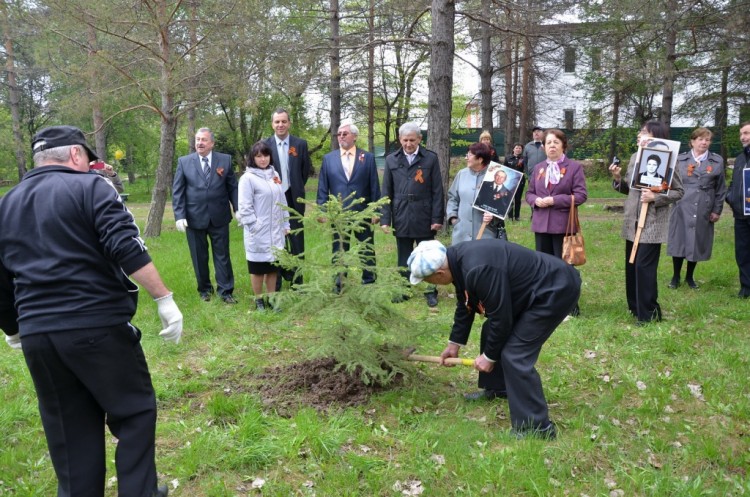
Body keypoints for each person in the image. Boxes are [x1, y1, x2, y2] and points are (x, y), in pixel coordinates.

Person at [0, 125, 182, 496]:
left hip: (39, 335)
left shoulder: (6, 203)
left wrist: (13, 328)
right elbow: (124, 244)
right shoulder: (92, 187)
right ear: (76, 155)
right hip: (95, 324)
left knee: (70, 431)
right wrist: (163, 298)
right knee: (133, 413)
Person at [407, 239, 581, 439]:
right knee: (491, 330)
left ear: (439, 274)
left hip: (555, 289)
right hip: (532, 289)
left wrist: (489, 357)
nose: (432, 285)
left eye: (429, 282)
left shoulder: (478, 269)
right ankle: (498, 388)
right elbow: (466, 303)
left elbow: (502, 317)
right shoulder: (456, 260)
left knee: (515, 354)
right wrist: (454, 343)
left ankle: (536, 428)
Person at [609, 121, 684, 324]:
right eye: (640, 131)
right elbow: (630, 189)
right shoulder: (635, 157)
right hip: (632, 220)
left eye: (643, 132)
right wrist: (617, 179)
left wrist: (655, 197)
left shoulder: (669, 160)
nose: (639, 135)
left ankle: (649, 313)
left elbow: (678, 191)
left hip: (651, 223)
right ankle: (635, 307)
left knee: (644, 267)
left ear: (655, 137)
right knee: (631, 266)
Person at [380, 122, 445, 307]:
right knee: (403, 256)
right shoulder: (391, 159)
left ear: (419, 139)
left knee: (429, 255)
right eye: (405, 140)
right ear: (400, 139)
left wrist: (436, 218)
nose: (408, 144)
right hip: (401, 214)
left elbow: (437, 191)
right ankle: (403, 289)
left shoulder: (430, 159)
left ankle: (430, 291)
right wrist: (385, 218)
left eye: (412, 140)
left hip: (424, 213)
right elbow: (386, 192)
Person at [172, 127, 239, 304]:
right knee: (199, 256)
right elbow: (177, 191)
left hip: (219, 216)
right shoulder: (184, 162)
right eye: (197, 139)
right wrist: (179, 215)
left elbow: (233, 187)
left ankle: (225, 291)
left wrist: (238, 209)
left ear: (212, 143)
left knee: (222, 255)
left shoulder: (225, 160)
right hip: (194, 218)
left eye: (203, 140)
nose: (199, 143)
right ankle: (205, 290)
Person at [525, 128, 587, 316]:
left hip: (563, 226)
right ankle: (547, 302)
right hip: (541, 225)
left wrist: (556, 200)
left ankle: (569, 305)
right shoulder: (538, 168)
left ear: (563, 146)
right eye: (548, 143)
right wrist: (535, 201)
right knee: (543, 266)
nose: (552, 146)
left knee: (563, 267)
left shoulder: (574, 167)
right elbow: (529, 193)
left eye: (556, 142)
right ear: (543, 147)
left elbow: (581, 195)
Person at [317, 123, 381, 291]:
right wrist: (322, 210)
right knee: (339, 248)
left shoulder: (367, 158)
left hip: (362, 211)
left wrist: (375, 210)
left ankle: (369, 280)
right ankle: (339, 282)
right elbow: (323, 187)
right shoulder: (329, 159)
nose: (341, 136)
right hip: (338, 214)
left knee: (366, 246)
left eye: (345, 133)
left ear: (355, 136)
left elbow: (374, 185)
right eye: (339, 134)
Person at [667, 127, 726, 289]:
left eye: (707, 140)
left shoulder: (717, 161)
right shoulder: (680, 159)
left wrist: (716, 210)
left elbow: (721, 189)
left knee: (696, 241)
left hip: (703, 206)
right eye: (700, 139)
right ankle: (675, 276)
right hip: (682, 204)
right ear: (692, 142)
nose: (704, 142)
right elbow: (670, 182)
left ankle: (689, 277)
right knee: (679, 240)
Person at [238, 141, 290, 311]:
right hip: (258, 232)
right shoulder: (248, 178)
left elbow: (282, 201)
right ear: (253, 158)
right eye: (259, 156)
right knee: (258, 268)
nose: (263, 159)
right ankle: (259, 300)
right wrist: (255, 227)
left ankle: (272, 299)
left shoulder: (274, 175)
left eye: (265, 155)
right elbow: (245, 207)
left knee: (273, 268)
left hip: (276, 231)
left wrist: (286, 223)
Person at [265, 108, 313, 290]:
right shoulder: (265, 145)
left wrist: (295, 186)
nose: (280, 125)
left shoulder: (300, 144)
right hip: (274, 199)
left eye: (283, 121)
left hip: (294, 197)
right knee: (276, 240)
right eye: (277, 122)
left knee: (297, 239)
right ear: (272, 124)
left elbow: (304, 170)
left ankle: (297, 281)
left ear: (289, 123)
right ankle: (276, 280)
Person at [447, 142, 506, 244]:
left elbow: (505, 203)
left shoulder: (496, 175)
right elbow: (453, 198)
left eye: (469, 155)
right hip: (461, 234)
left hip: (485, 234)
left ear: (480, 159)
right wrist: (453, 218)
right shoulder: (462, 174)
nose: (466, 158)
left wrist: (493, 217)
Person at [725, 122, 750, 298]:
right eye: (741, 133)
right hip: (741, 214)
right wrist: (730, 197)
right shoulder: (740, 158)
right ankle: (746, 288)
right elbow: (735, 183)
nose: (743, 137)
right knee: (742, 252)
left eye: (747, 133)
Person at [504, 143, 525, 221]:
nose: (518, 149)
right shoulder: (508, 158)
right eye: (516, 148)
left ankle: (517, 216)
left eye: (520, 148)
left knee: (518, 199)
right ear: (513, 149)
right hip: (509, 182)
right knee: (509, 199)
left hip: (520, 181)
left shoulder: (524, 159)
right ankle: (510, 217)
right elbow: (504, 169)